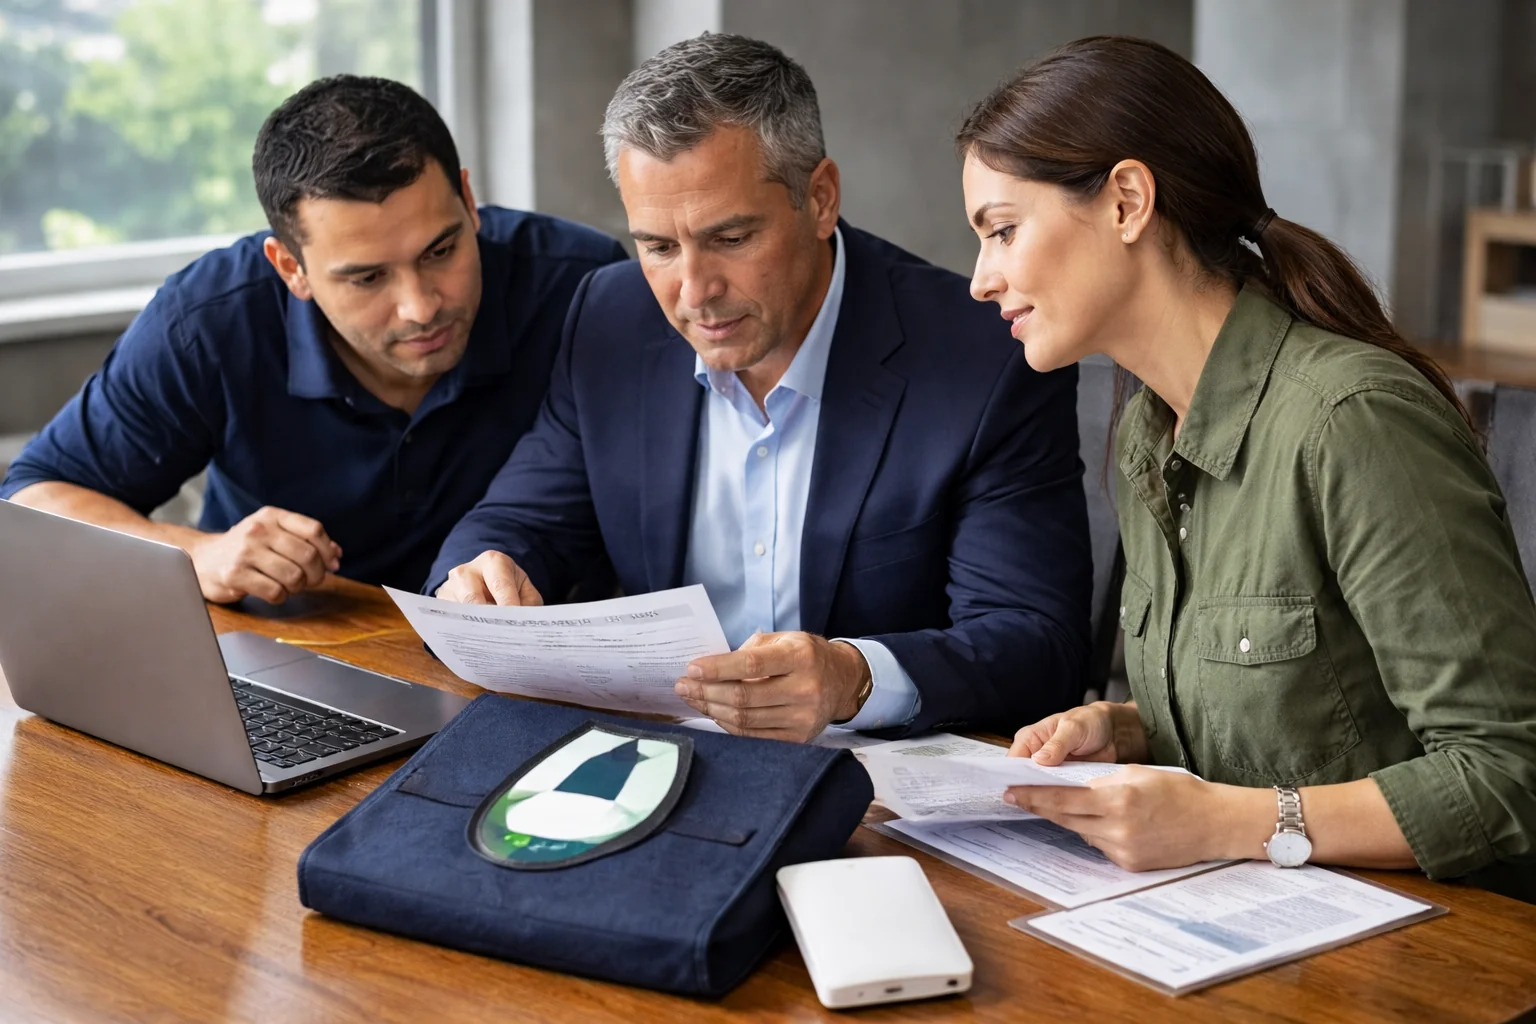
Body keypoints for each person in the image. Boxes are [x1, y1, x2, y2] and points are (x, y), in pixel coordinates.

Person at [961, 36, 1536, 899]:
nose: (980, 279)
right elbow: (1288, 714)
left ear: (1125, 202)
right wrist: (1127, 730)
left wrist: (1224, 823)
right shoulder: (1148, 433)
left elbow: (1509, 773)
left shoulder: (1350, 422)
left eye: (1003, 231)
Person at [430, 34, 1092, 742]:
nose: (693, 292)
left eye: (732, 237)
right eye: (657, 246)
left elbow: (1035, 644)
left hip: (873, 782)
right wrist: (482, 573)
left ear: (821, 198)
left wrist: (853, 677)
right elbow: (521, 520)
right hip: (656, 757)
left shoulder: (981, 356)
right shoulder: (610, 317)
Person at [1, 75, 626, 603]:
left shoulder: (583, 285)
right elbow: (30, 502)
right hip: (282, 660)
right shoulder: (210, 320)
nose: (420, 306)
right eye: (367, 277)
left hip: (516, 672)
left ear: (468, 200)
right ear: (290, 268)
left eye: (442, 249)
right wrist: (198, 553)